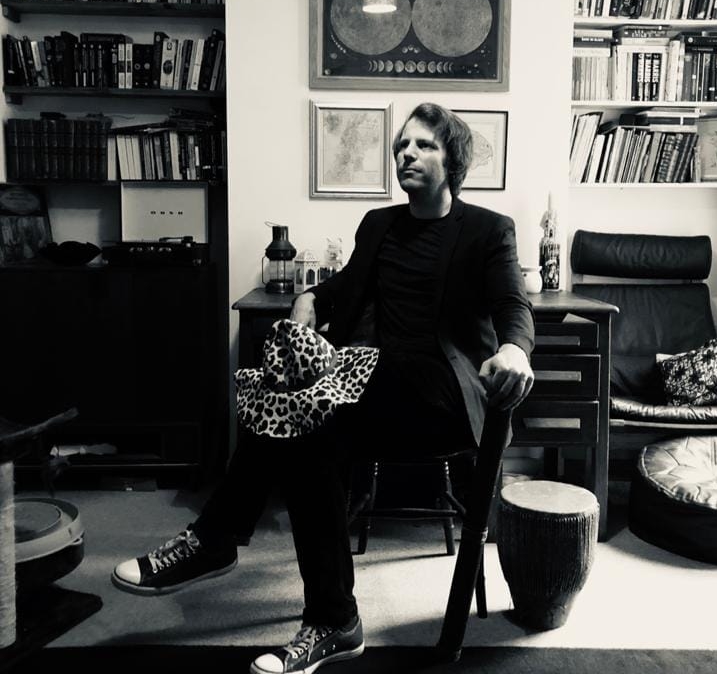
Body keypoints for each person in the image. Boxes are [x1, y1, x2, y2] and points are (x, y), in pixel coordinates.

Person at [112, 103, 535, 674]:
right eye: (402, 145)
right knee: (307, 433)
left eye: (424, 145)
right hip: (369, 384)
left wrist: (514, 350)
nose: (406, 154)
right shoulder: (379, 224)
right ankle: (332, 620)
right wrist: (310, 296)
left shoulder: (487, 229)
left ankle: (216, 537)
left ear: (452, 160)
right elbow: (347, 285)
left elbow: (513, 304)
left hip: (442, 395)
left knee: (305, 406)